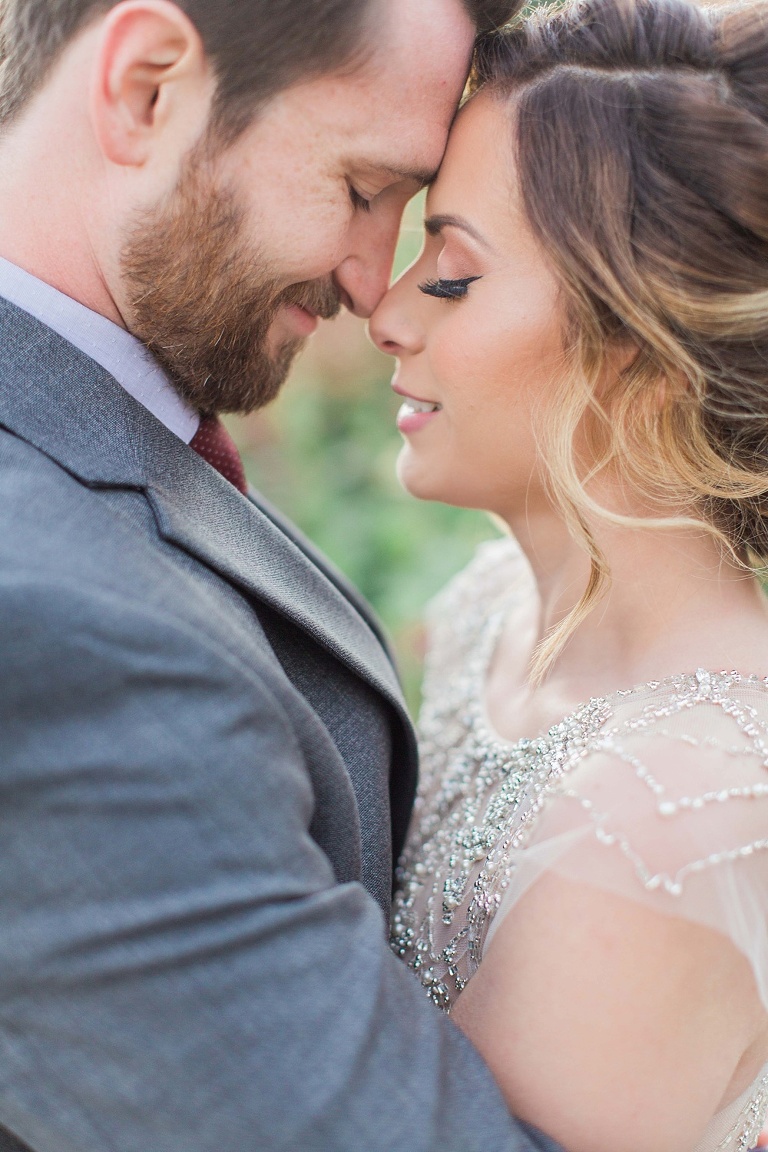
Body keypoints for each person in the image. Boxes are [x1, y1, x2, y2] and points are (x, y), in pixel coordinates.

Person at [0, 1, 572, 1149]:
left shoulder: (100, 446)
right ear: (150, 87)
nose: (375, 285)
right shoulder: (62, 630)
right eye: (365, 191)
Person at [370, 0, 768, 1148]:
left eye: (449, 274)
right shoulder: (488, 602)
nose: (387, 314)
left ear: (636, 351)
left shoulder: (662, 821)